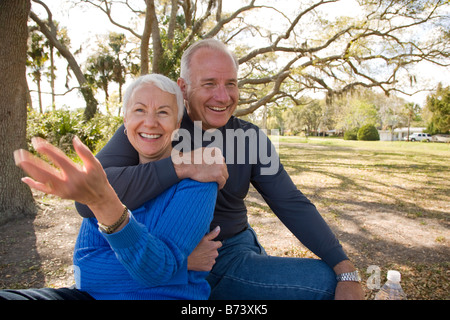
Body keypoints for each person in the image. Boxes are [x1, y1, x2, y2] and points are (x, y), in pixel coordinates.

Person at [76, 39, 365, 300]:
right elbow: (87, 197)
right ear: (183, 87)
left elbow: (290, 202)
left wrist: (344, 267)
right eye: (210, 83)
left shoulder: (250, 138)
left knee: (337, 281)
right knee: (324, 285)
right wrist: (181, 165)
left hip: (238, 244)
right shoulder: (157, 127)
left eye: (231, 83)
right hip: (186, 252)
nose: (223, 96)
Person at [1, 74, 218, 300]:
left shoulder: (197, 181)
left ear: (176, 124)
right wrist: (181, 267)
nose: (150, 122)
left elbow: (156, 270)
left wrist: (104, 203)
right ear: (125, 120)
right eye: (139, 110)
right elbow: (85, 271)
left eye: (163, 112)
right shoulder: (109, 177)